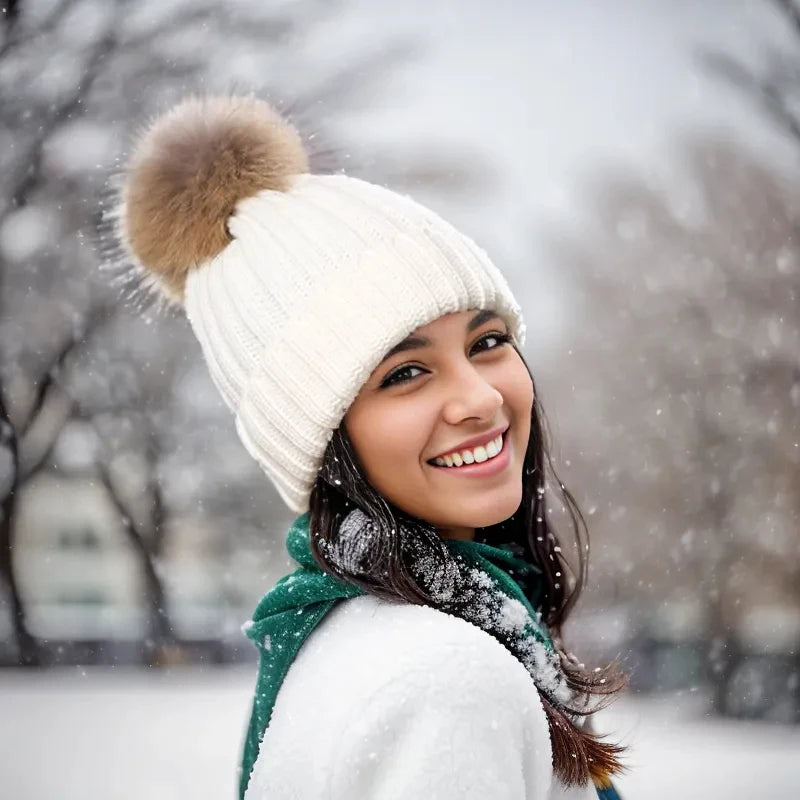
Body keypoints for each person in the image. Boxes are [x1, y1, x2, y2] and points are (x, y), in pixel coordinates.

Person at [113, 93, 628, 800]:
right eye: (405, 373)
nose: (480, 397)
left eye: (488, 342)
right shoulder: (446, 682)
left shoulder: (343, 637)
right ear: (321, 441)